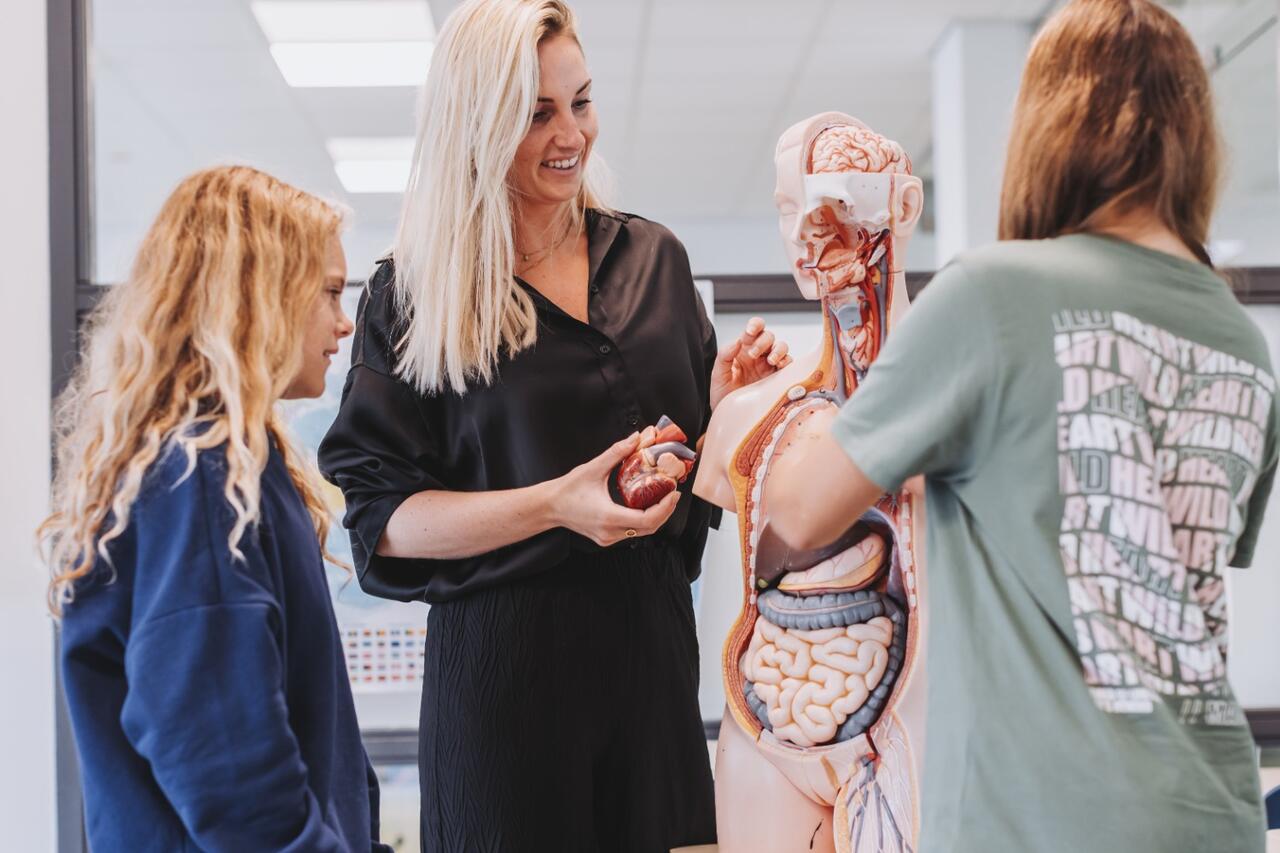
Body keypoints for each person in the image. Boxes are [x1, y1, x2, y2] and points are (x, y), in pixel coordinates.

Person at [763, 1, 1275, 851]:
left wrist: (784, 390)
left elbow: (801, 509)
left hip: (1044, 817)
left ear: (1048, 125)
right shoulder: (1240, 340)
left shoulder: (994, 297)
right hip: (1213, 812)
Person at [317, 1, 788, 849]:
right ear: (479, 123)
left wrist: (725, 404)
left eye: (580, 100)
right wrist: (554, 503)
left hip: (652, 676)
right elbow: (383, 522)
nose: (571, 133)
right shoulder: (416, 295)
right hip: (505, 692)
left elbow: (698, 480)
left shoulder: (654, 262)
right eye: (536, 113)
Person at [40, 165, 390, 852]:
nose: (344, 322)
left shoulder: (228, 465)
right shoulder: (201, 476)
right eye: (325, 292)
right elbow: (226, 760)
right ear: (258, 298)